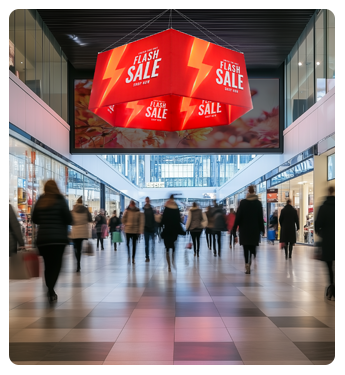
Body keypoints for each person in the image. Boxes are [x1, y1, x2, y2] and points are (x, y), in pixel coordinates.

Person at [32, 180, 72, 303]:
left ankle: (49, 288)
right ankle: (51, 288)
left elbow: (34, 219)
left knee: (47, 265)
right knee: (56, 265)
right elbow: (69, 219)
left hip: (43, 239)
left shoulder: (40, 200)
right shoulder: (61, 200)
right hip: (58, 239)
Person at [232, 185, 264, 274]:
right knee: (253, 246)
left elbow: (238, 217)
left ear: (248, 192)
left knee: (246, 248)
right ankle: (252, 257)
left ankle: (247, 264)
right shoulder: (258, 203)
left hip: (244, 230)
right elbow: (260, 218)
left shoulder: (243, 203)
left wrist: (234, 229)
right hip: (255, 229)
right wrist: (262, 229)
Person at [315, 186, 335, 300]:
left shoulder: (323, 207)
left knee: (329, 265)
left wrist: (321, 233)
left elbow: (318, 224)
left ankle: (331, 285)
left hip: (327, 240)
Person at [161, 195, 183, 272]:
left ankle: (169, 265)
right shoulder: (176, 208)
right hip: (174, 231)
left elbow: (163, 220)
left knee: (167, 247)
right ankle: (173, 261)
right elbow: (179, 220)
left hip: (167, 230)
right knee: (173, 246)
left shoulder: (166, 208)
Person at [70, 196, 92, 272]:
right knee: (79, 247)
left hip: (75, 231)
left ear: (76, 202)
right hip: (83, 231)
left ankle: (77, 262)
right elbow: (90, 219)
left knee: (75, 247)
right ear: (82, 202)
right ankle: (78, 264)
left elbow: (70, 221)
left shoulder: (73, 210)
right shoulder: (86, 210)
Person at [143, 197, 156, 262]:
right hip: (146, 229)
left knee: (152, 243)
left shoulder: (152, 209)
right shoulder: (143, 209)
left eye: (148, 201)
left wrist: (154, 227)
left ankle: (152, 252)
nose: (147, 202)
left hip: (151, 228)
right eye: (146, 201)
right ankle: (147, 256)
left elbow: (154, 219)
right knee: (146, 244)